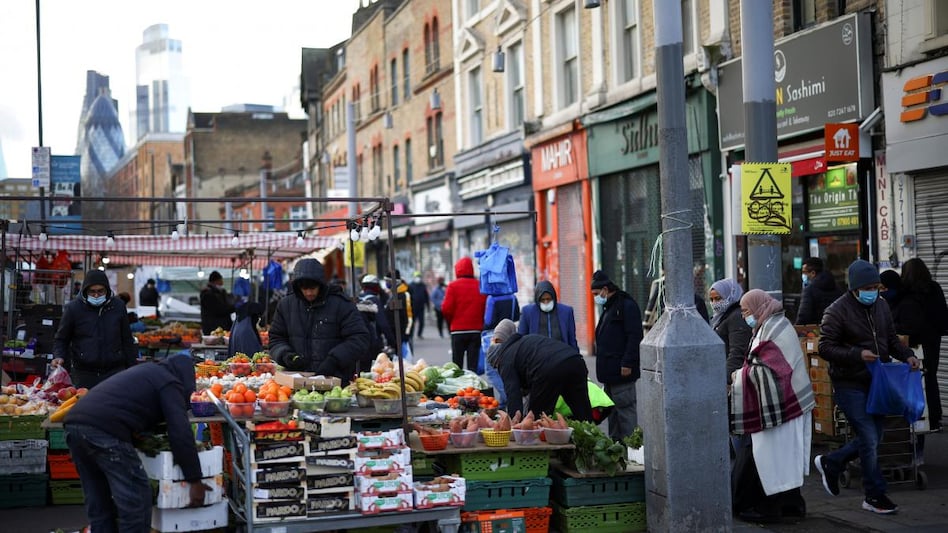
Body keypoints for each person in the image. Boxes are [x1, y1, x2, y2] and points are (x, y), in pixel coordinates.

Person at [815, 259, 920, 514]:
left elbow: (891, 339)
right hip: (849, 382)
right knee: (870, 436)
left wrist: (907, 355)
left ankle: (832, 461)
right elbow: (824, 347)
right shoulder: (836, 311)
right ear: (855, 288)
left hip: (877, 382)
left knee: (874, 437)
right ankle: (875, 495)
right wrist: (856, 354)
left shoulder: (881, 306)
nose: (874, 292)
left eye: (877, 287)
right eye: (870, 287)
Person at [64, 354, 209, 532]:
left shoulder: (146, 372)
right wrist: (194, 480)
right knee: (136, 501)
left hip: (74, 425)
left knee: (99, 501)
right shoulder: (169, 382)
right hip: (105, 432)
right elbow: (180, 431)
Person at [730, 289, 814, 523]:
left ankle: (774, 507)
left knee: (775, 459)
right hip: (782, 405)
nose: (745, 316)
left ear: (758, 307)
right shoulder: (768, 325)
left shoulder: (776, 327)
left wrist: (739, 376)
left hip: (785, 406)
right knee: (780, 459)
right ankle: (787, 505)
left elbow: (774, 367)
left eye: (747, 311)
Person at [268, 259, 370, 380]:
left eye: (313, 287)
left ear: (321, 284)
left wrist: (335, 359)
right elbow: (276, 338)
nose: (309, 292)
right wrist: (284, 354)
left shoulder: (341, 304)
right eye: (304, 288)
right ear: (297, 287)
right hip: (296, 381)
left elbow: (360, 339)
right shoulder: (286, 305)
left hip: (335, 381)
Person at [487, 319, 593, 421]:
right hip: (575, 361)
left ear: (496, 359)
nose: (499, 370)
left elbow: (513, 395)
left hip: (549, 370)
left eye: (496, 366)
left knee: (538, 418)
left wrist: (514, 423)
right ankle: (590, 436)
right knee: (582, 412)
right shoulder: (525, 341)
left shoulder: (505, 359)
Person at [53, 270, 138, 389]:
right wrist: (59, 356)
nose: (96, 295)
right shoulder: (73, 309)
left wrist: (132, 368)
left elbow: (127, 339)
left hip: (114, 372)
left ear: (107, 290)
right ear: (85, 291)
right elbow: (61, 338)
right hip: (84, 373)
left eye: (100, 291)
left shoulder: (118, 307)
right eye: (92, 292)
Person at [590, 270, 644, 440]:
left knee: (626, 414)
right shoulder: (610, 307)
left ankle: (633, 452)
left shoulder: (626, 306)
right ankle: (617, 451)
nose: (596, 298)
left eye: (597, 294)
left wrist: (627, 363)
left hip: (622, 373)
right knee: (613, 415)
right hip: (611, 375)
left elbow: (634, 336)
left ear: (605, 289)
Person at [895, 258, 947, 432]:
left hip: (915, 341)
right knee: (930, 376)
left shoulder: (906, 292)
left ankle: (919, 417)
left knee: (916, 379)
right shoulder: (934, 288)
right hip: (933, 340)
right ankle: (935, 417)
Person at [442, 257, 487, 371]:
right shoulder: (480, 285)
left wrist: (450, 322)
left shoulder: (452, 286)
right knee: (473, 365)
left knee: (457, 365)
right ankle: (472, 387)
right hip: (476, 330)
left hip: (457, 330)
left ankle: (459, 386)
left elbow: (446, 308)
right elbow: (485, 307)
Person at [709, 278, 752, 385]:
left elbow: (737, 352)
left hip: (731, 379)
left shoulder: (736, 317)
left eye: (718, 298)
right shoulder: (720, 317)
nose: (715, 303)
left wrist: (726, 381)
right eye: (711, 299)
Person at [518, 280, 578, 349]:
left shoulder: (566, 312)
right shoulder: (528, 312)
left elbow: (572, 339)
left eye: (548, 299)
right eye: (542, 300)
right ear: (538, 299)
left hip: (561, 354)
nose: (546, 302)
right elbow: (522, 338)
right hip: (537, 356)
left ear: (553, 298)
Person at [357, 274, 397, 368]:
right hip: (373, 342)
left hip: (359, 342)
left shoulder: (358, 299)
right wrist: (392, 342)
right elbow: (383, 324)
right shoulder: (374, 300)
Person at [796, 257, 843, 325]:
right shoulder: (837, 287)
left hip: (815, 331)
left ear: (813, 273)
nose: (803, 275)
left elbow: (804, 316)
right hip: (835, 328)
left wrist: (797, 330)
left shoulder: (809, 290)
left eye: (804, 272)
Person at [200, 271, 235, 335]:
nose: (222, 284)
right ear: (215, 281)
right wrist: (234, 308)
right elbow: (219, 310)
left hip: (222, 327)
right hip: (213, 329)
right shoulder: (207, 294)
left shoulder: (220, 292)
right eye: (220, 282)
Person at [408, 272, 430, 339]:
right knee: (412, 322)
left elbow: (426, 296)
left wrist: (428, 306)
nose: (418, 278)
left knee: (421, 322)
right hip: (413, 307)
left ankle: (419, 334)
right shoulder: (410, 285)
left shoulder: (423, 285)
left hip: (421, 307)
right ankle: (411, 334)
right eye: (417, 276)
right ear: (414, 277)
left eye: (419, 276)